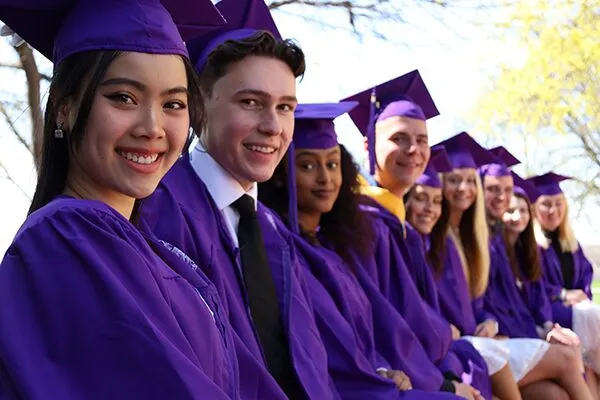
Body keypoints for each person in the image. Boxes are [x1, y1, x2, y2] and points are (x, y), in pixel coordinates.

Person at [0, 1, 243, 398]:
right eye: (123, 97)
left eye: (173, 104)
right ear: (64, 107)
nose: (152, 127)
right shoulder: (65, 238)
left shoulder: (157, 252)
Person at [138, 0, 334, 398]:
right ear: (198, 106)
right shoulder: (158, 211)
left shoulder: (273, 230)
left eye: (285, 107)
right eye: (251, 102)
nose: (273, 126)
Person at [259, 101, 464, 399]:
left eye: (332, 164)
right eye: (306, 165)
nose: (325, 179)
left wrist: (382, 367)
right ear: (280, 174)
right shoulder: (286, 251)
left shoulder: (331, 246)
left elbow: (362, 331)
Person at [342, 70, 492, 400]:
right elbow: (383, 323)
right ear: (368, 145)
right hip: (397, 376)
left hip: (426, 365)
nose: (414, 149)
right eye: (399, 139)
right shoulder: (361, 223)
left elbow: (423, 314)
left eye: (422, 140)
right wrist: (445, 384)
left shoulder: (400, 226)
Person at [438, 132, 593, 400]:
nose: (502, 198)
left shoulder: (494, 241)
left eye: (507, 191)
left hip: (497, 336)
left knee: (557, 394)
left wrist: (538, 324)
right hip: (474, 345)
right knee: (569, 358)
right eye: (493, 189)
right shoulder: (453, 239)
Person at [404, 146, 525, 400]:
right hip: (444, 350)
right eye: (421, 198)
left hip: (467, 342)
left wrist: (490, 321)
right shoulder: (420, 243)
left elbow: (475, 302)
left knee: (554, 388)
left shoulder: (465, 239)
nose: (430, 208)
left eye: (436, 201)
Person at [524, 172, 600, 397]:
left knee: (591, 362)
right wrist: (563, 294)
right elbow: (533, 285)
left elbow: (585, 277)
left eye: (559, 204)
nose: (553, 210)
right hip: (550, 311)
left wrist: (581, 294)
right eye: (546, 204)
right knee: (595, 320)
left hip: (578, 312)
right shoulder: (531, 244)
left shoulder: (570, 243)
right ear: (534, 208)